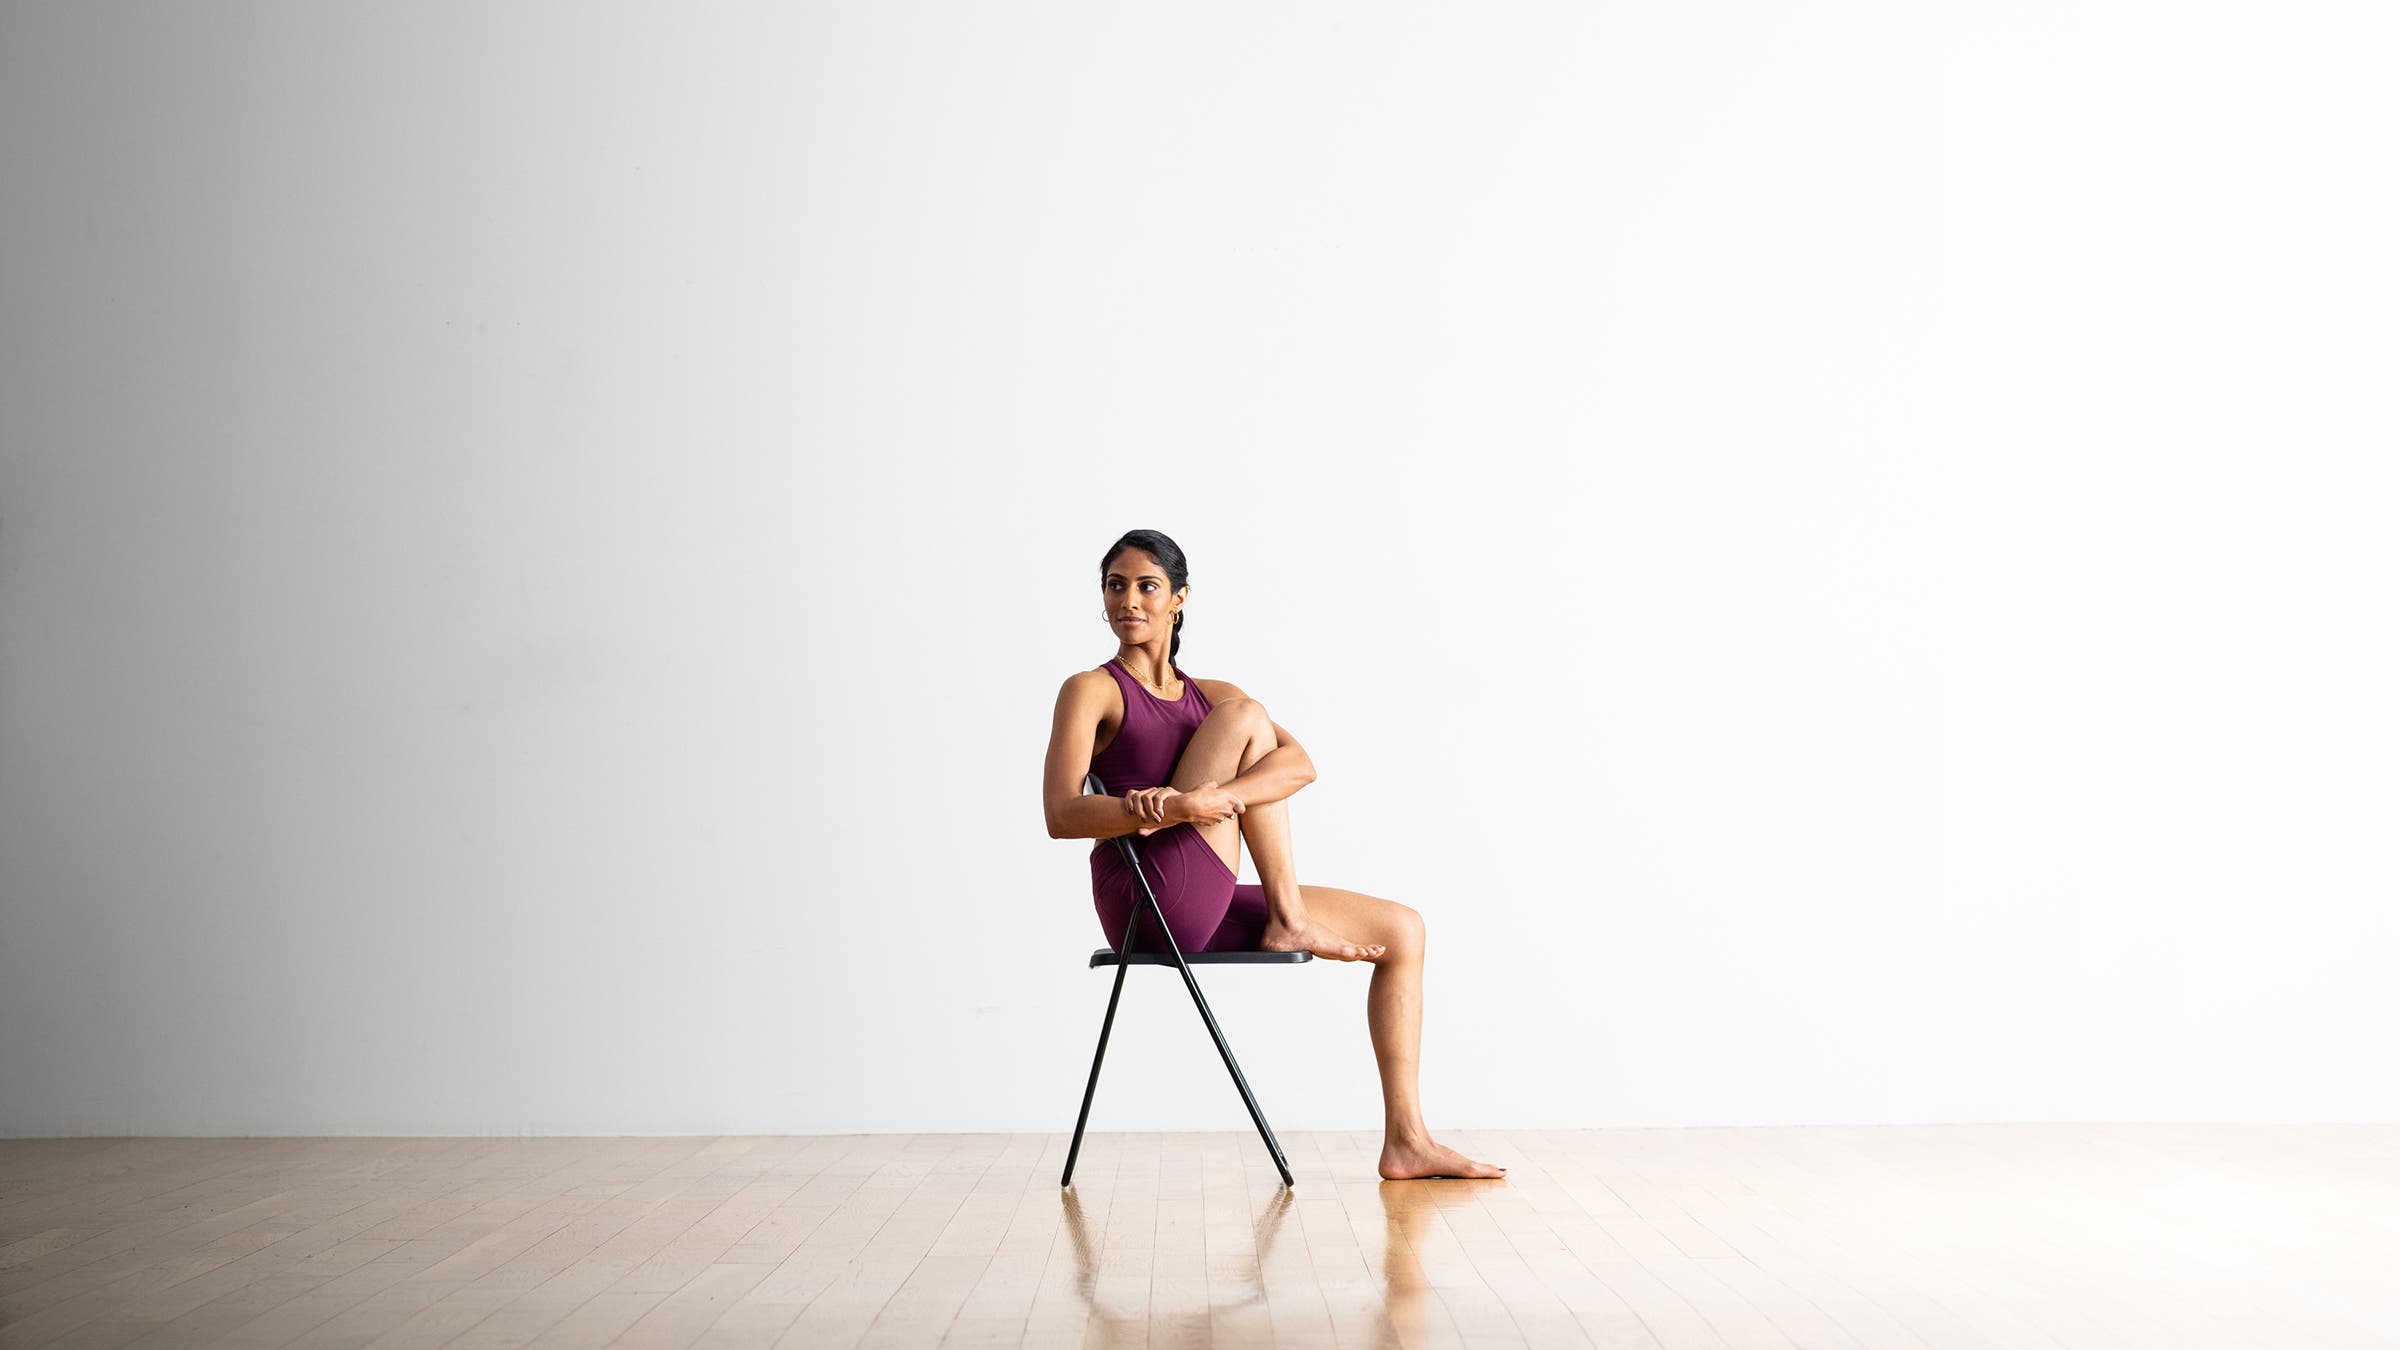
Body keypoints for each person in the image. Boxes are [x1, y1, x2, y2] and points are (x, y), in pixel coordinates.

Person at [1041, 529, 1507, 1181]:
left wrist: (1209, 801)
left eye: (1147, 586)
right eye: (1115, 586)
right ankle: (1289, 918)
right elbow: (1061, 815)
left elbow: (1300, 766)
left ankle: (1408, 1141)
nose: (1129, 600)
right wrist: (1167, 809)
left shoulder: (1213, 692)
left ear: (1180, 599)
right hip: (1143, 898)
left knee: (1404, 930)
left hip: (1201, 887)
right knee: (1245, 718)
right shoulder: (1092, 689)